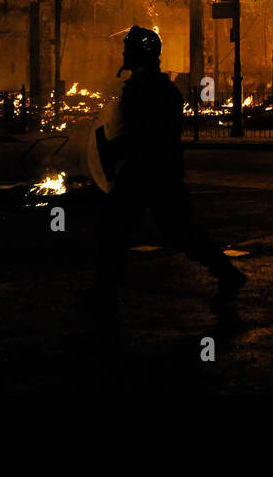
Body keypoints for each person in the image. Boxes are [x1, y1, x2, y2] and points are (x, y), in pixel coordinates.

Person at [81, 26, 246, 315]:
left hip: (156, 173)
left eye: (128, 48)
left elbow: (149, 135)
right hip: (146, 173)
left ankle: (228, 274)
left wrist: (115, 149)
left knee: (175, 231)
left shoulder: (156, 91)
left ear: (141, 53)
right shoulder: (143, 87)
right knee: (116, 228)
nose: (124, 52)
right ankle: (105, 290)